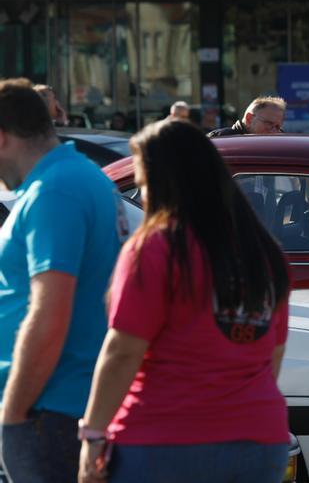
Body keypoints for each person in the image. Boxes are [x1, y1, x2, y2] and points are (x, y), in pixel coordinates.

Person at [77, 120, 291, 483]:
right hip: (261, 441)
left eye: (143, 185)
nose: (143, 197)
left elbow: (122, 352)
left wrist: (93, 435)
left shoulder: (156, 248)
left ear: (165, 184)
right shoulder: (265, 254)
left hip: (164, 441)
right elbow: (272, 359)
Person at [0, 78, 124, 482]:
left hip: (48, 410)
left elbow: (50, 313)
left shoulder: (55, 191)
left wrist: (13, 412)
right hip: (62, 405)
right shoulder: (83, 176)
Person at [207, 96, 286, 137]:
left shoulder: (282, 144)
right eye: (269, 124)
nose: (274, 132)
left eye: (277, 127)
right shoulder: (219, 140)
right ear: (249, 119)